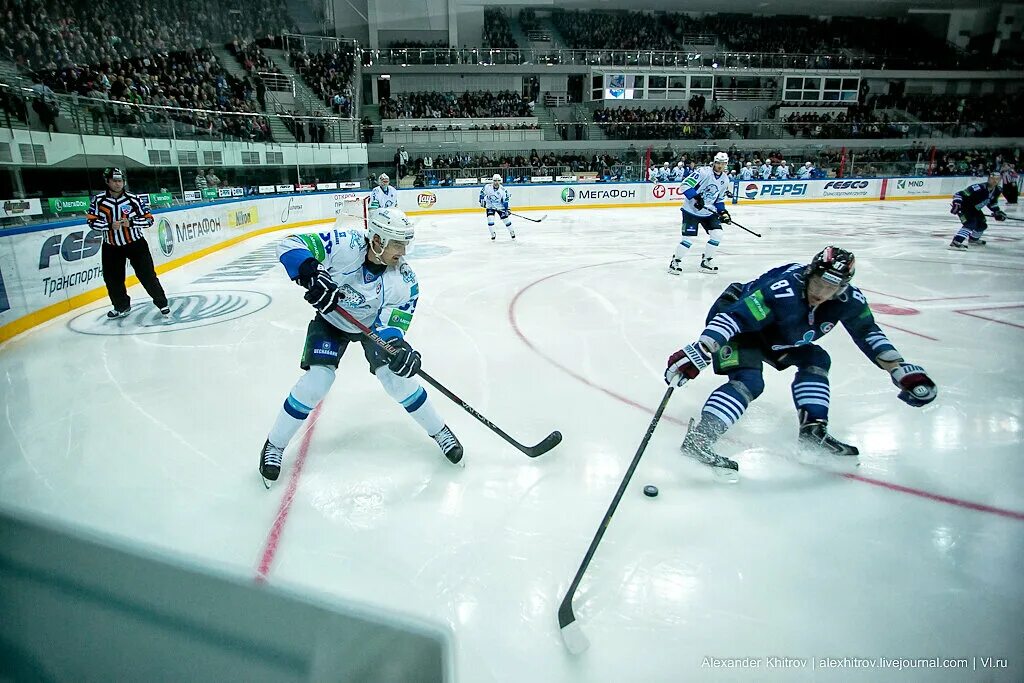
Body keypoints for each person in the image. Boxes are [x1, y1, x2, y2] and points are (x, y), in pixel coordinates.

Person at [664, 247, 937, 481]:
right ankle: (700, 439)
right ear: (810, 273)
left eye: (833, 287)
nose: (822, 292)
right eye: (819, 283)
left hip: (778, 334)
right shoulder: (782, 290)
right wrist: (702, 349)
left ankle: (813, 431)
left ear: (843, 287)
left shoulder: (848, 300)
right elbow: (736, 319)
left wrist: (897, 367)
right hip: (740, 325)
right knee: (750, 381)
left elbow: (867, 331)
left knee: (817, 358)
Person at [258, 208, 463, 485]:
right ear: (377, 240)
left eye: (405, 243)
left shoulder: (404, 281)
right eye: (397, 243)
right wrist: (311, 271)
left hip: (372, 328)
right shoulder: (346, 244)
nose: (403, 251)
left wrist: (398, 348)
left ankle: (439, 431)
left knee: (396, 379)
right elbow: (289, 244)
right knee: (319, 380)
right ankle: (275, 445)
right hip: (331, 321)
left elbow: (393, 326)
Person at [87, 168, 170, 318]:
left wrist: (131, 223)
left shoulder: (134, 199)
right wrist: (108, 226)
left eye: (120, 181)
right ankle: (121, 306)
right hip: (111, 246)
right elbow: (91, 221)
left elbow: (149, 219)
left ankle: (162, 303)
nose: (118, 184)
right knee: (113, 279)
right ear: (107, 181)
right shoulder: (98, 200)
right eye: (115, 181)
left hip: (135, 244)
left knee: (147, 275)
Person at [668, 151, 732, 275]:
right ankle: (675, 261)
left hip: (709, 212)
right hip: (691, 211)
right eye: (718, 163)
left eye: (723, 164)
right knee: (688, 240)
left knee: (717, 234)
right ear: (714, 162)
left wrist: (723, 212)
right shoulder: (703, 172)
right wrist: (696, 197)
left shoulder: (725, 179)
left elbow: (719, 199)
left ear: (726, 164)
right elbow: (685, 185)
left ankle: (706, 262)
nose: (720, 165)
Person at [948, 171, 1007, 250]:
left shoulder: (998, 190)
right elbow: (959, 194)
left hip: (975, 209)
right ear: (989, 178)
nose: (995, 181)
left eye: (997, 179)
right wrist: (957, 204)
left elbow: (992, 202)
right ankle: (956, 242)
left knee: (982, 225)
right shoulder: (978, 187)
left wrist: (997, 211)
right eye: (993, 179)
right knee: (970, 223)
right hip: (964, 208)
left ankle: (973, 239)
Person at [479, 174, 514, 240]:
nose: (496, 182)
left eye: (498, 180)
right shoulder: (487, 187)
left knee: (506, 220)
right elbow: (481, 194)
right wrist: (481, 201)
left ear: (500, 181)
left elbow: (505, 202)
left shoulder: (503, 190)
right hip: (490, 206)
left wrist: (506, 209)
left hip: (500, 207)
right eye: (495, 180)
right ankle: (493, 234)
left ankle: (512, 232)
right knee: (490, 221)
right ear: (492, 181)